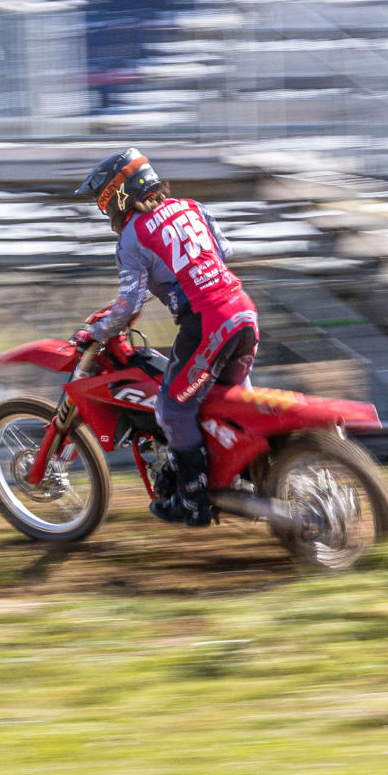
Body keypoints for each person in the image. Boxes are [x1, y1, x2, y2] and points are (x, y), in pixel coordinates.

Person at [72, 147, 259, 527]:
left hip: (207, 324)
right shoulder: (192, 206)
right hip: (243, 311)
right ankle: (248, 477)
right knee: (232, 403)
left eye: (101, 198)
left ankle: (193, 502)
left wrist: (97, 330)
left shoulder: (131, 237)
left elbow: (129, 305)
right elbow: (225, 251)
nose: (101, 207)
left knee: (171, 410)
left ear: (116, 194)